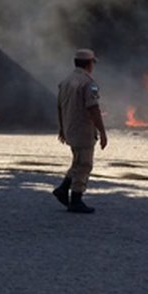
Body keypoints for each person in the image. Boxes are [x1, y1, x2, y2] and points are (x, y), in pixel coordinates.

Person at [53, 48, 108, 213]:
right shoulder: (88, 83)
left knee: (77, 162)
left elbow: (59, 107)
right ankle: (76, 199)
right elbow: (93, 109)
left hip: (70, 128)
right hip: (83, 130)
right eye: (92, 63)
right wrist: (103, 131)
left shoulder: (65, 82)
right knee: (84, 164)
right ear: (89, 64)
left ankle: (63, 189)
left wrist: (62, 128)